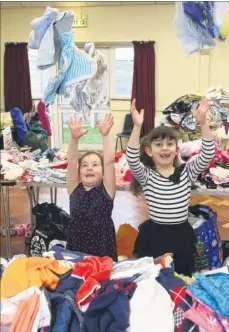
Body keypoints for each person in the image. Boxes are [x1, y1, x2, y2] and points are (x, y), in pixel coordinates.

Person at [126, 98, 215, 276]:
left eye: (169, 144)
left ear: (176, 149)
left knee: (181, 277)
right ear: (149, 151)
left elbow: (208, 153)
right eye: (158, 144)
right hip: (154, 236)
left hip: (181, 235)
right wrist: (137, 127)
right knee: (154, 278)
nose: (164, 148)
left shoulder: (186, 172)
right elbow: (132, 158)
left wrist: (203, 123)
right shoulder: (147, 175)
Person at [66, 113, 117, 261]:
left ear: (102, 173)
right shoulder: (74, 189)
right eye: (85, 165)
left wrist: (105, 136)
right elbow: (71, 161)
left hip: (102, 246)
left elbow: (108, 161)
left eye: (95, 165)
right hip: (77, 244)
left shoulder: (107, 190)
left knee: (102, 280)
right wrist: (74, 139)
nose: (89, 168)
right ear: (79, 172)